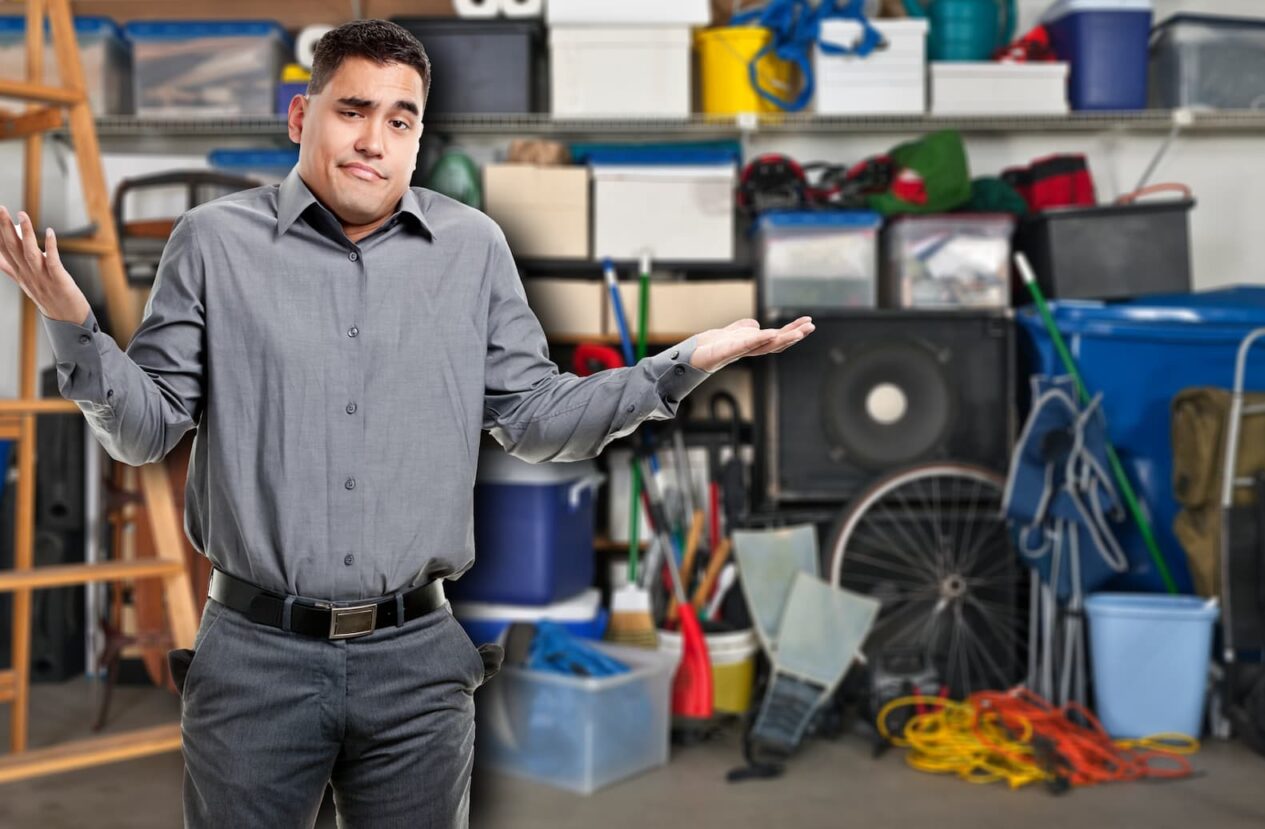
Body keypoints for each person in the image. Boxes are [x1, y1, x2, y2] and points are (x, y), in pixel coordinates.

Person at [0, 19, 814, 829]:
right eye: (353, 110)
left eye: (400, 120)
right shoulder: (212, 244)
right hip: (254, 661)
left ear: (418, 138)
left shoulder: (473, 249)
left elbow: (535, 418)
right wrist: (77, 324)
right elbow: (146, 430)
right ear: (299, 116)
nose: (374, 140)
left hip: (417, 662)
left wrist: (684, 363)